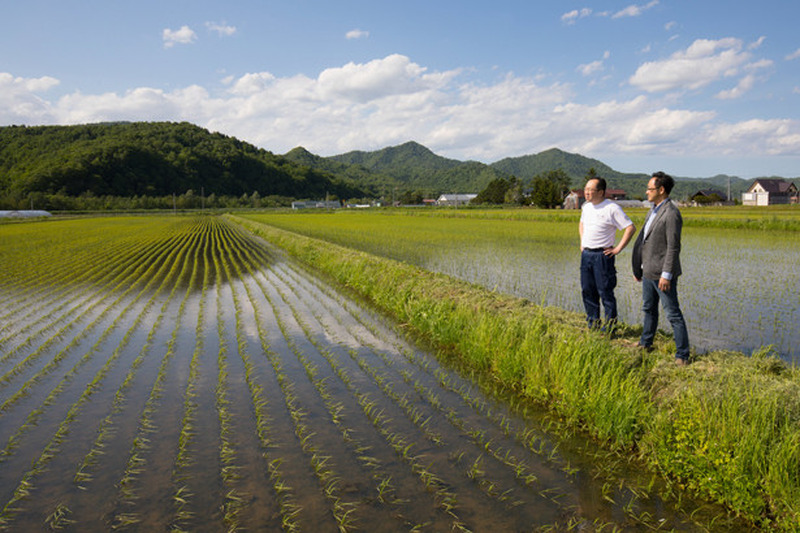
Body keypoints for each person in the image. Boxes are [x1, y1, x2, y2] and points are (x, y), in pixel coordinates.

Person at [631, 171, 690, 365]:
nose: (646, 192)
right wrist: (639, 267)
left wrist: (667, 275)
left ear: (661, 190)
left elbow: (673, 247)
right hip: (648, 271)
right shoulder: (653, 210)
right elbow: (645, 241)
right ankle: (646, 342)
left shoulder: (671, 213)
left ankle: (682, 355)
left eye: (650, 188)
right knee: (648, 309)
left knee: (672, 313)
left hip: (663, 275)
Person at [579, 177, 636, 331]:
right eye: (586, 189)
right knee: (587, 290)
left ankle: (610, 327)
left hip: (602, 255)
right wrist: (582, 242)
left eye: (590, 190)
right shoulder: (586, 207)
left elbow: (630, 228)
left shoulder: (612, 208)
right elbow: (582, 223)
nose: (587, 193)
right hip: (587, 254)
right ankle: (593, 324)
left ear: (601, 192)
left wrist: (618, 248)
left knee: (605, 291)